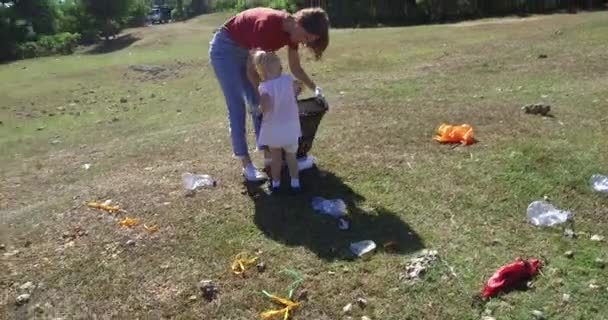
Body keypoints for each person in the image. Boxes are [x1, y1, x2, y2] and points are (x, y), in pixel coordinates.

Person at [209, 7, 329, 182]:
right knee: (238, 107)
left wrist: (315, 88)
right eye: (305, 37)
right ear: (299, 23)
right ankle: (247, 165)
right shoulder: (266, 26)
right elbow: (252, 71)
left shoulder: (293, 33)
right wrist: (270, 94)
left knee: (261, 106)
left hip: (247, 49)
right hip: (225, 49)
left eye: (309, 41)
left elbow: (295, 68)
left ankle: (270, 158)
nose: (304, 43)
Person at [253, 50, 301, 193]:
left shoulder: (264, 87)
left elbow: (266, 107)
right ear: (279, 65)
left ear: (262, 71)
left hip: (274, 128)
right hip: (291, 126)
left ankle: (276, 183)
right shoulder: (288, 80)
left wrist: (258, 110)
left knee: (276, 158)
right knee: (291, 156)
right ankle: (295, 183)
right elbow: (297, 90)